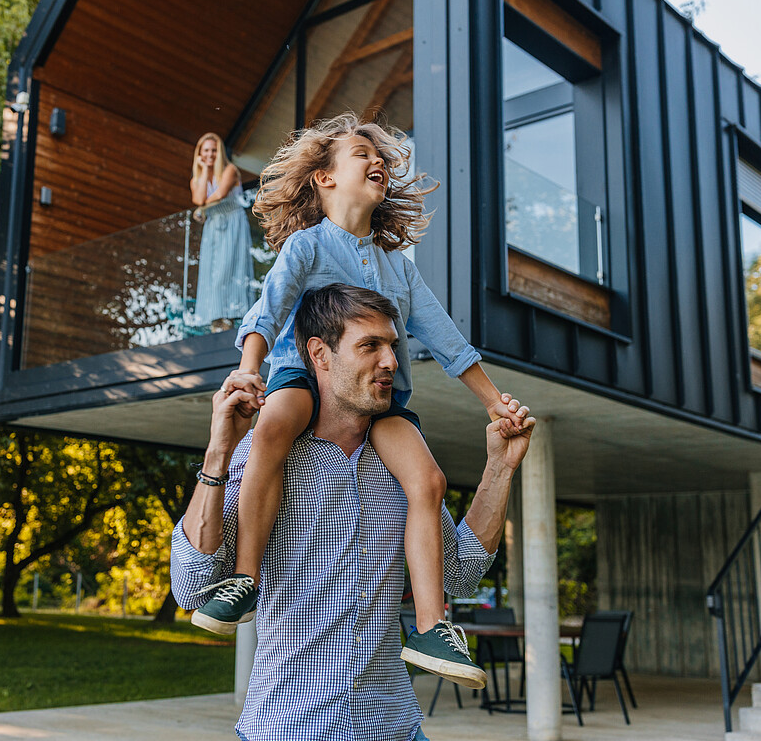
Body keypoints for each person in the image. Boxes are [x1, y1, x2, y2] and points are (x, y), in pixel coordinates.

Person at [188, 114, 528, 689]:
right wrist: (249, 372)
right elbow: (266, 312)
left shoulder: (398, 267)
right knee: (272, 429)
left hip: (384, 399)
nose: (379, 162)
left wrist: (495, 403)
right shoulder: (305, 247)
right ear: (323, 178)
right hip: (298, 377)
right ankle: (243, 578)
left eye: (383, 158)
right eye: (360, 153)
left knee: (429, 481)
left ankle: (429, 625)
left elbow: (447, 338)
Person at [171, 283, 535, 741]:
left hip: (396, 726)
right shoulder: (267, 458)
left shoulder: (405, 469)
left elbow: (459, 575)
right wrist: (218, 452)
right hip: (288, 727)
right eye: (370, 346)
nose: (391, 362)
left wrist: (499, 468)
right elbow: (191, 587)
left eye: (392, 346)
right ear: (320, 354)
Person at [190, 132, 255, 333]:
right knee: (211, 271)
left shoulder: (230, 170)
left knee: (230, 268)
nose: (210, 154)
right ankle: (216, 320)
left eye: (214, 150)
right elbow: (199, 199)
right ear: (200, 154)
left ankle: (231, 316)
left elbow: (220, 194)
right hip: (213, 226)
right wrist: (203, 170)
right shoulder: (197, 179)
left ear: (220, 152)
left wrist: (201, 209)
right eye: (206, 151)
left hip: (232, 221)